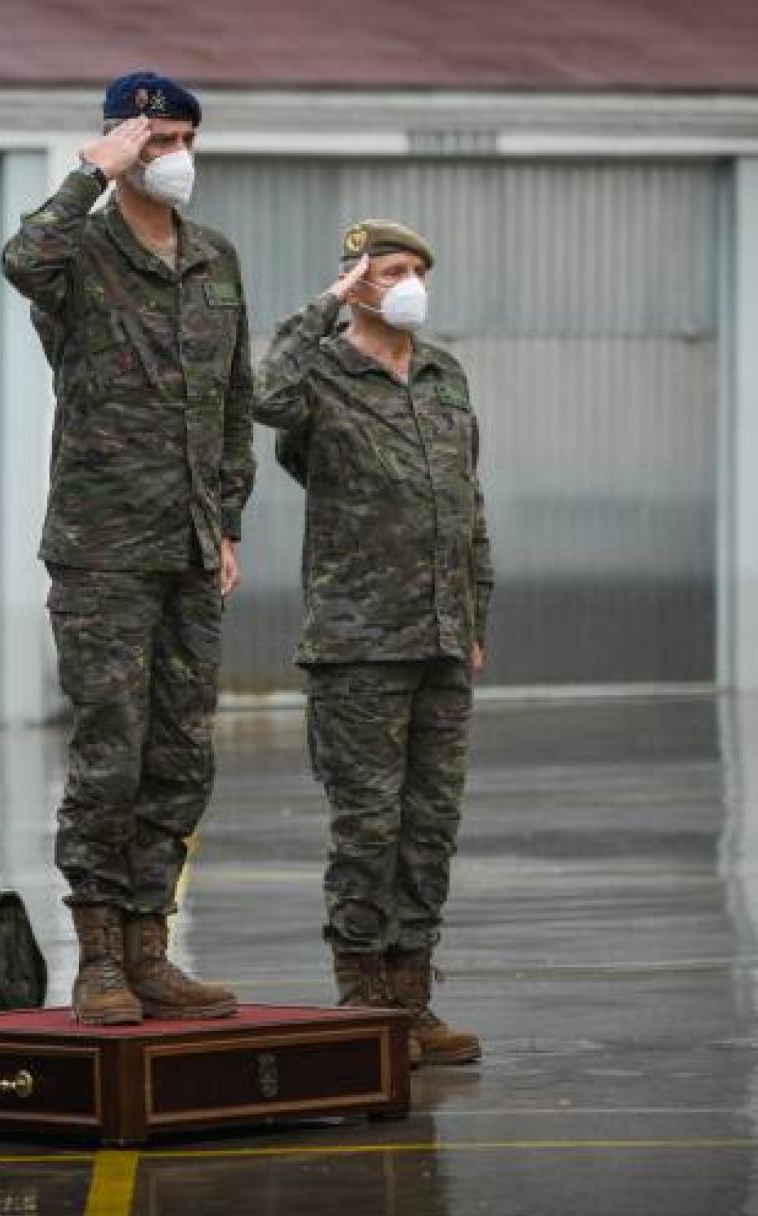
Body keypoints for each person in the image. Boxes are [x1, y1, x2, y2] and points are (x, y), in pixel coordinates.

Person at [1, 70, 256, 1026]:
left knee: (182, 752)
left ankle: (153, 945)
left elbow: (235, 397)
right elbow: (22, 260)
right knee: (110, 749)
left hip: (189, 544)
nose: (174, 156)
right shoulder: (81, 249)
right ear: (119, 144)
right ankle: (99, 957)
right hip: (103, 543)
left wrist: (225, 518)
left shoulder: (215, 256)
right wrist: (86, 175)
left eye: (184, 138)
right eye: (154, 139)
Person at [255, 220, 492, 1066]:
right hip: (358, 642)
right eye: (394, 269)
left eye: (421, 268)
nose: (413, 282)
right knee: (367, 828)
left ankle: (412, 1001)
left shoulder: (443, 374)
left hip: (440, 639)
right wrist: (324, 309)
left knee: (429, 829)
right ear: (357, 278)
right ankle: (363, 1004)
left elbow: (468, 507)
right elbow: (263, 397)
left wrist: (475, 620)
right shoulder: (320, 375)